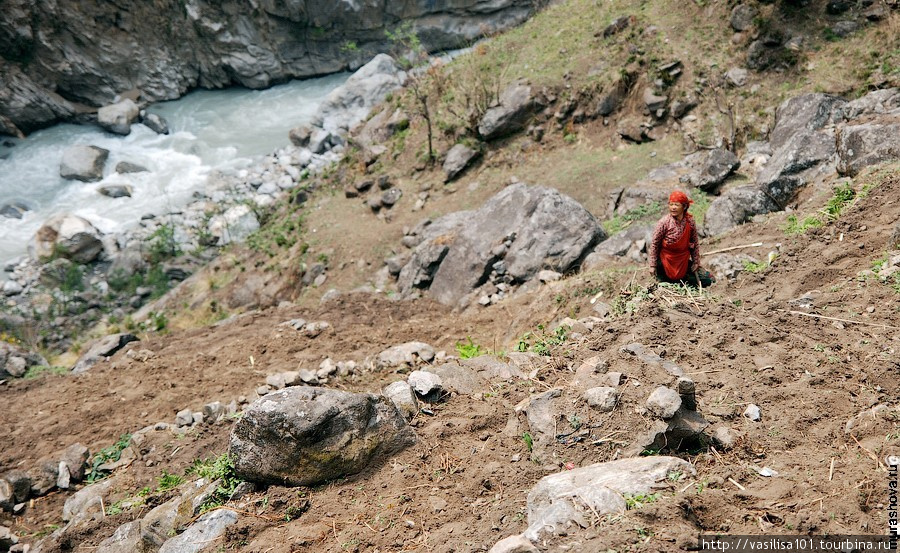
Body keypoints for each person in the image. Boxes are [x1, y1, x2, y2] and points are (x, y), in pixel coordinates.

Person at [648, 191, 715, 288]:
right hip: (665, 262)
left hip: (683, 261)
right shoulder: (664, 223)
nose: (673, 207)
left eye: (676, 205)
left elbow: (694, 243)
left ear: (684, 207)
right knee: (666, 286)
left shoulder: (690, 222)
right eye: (671, 204)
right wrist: (652, 265)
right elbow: (654, 244)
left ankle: (683, 283)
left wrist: (696, 262)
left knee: (707, 280)